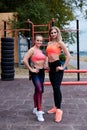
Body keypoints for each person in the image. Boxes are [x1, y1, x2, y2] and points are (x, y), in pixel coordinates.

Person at [46, 26, 71, 123]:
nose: (53, 34)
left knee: (57, 87)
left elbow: (68, 55)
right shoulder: (49, 43)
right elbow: (47, 55)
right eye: (51, 33)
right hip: (51, 67)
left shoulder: (60, 43)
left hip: (57, 66)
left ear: (57, 33)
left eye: (54, 32)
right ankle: (55, 107)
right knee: (54, 88)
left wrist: (63, 67)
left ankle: (59, 110)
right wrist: (47, 65)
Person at [23, 34, 47, 122]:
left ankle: (35, 108)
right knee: (39, 90)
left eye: (41, 41)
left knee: (38, 90)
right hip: (35, 72)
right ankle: (39, 111)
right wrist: (31, 69)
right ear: (34, 41)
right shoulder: (32, 50)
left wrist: (45, 64)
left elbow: (44, 60)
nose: (39, 42)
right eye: (38, 40)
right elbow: (24, 60)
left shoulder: (41, 51)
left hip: (42, 72)